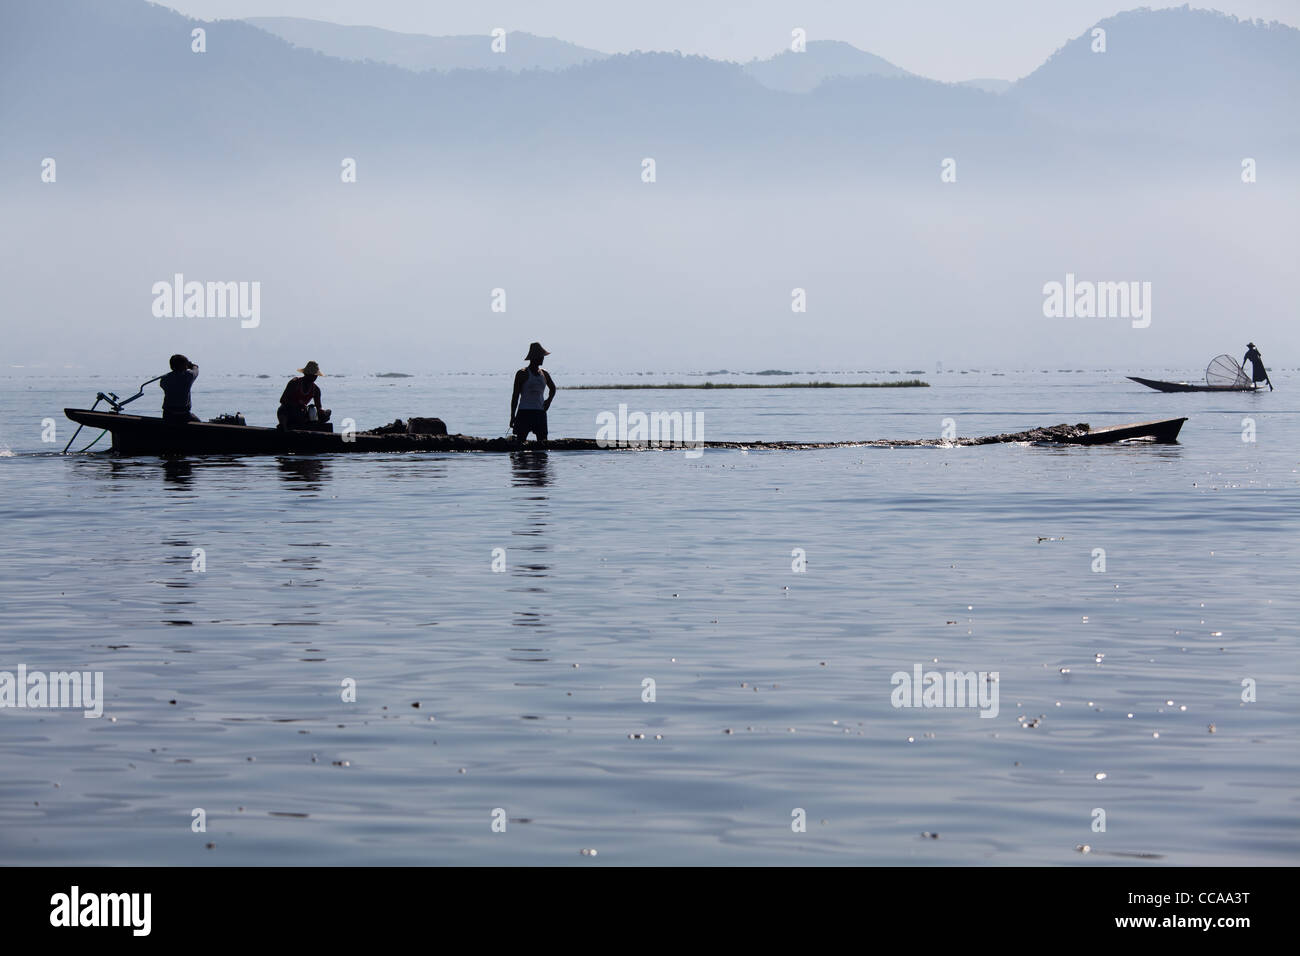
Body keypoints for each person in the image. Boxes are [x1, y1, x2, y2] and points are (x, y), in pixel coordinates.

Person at [510, 342, 556, 441]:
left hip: (540, 412)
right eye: (541, 356)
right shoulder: (522, 373)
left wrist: (549, 400)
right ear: (534, 357)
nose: (543, 358)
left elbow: (553, 388)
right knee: (520, 442)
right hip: (524, 412)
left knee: (543, 442)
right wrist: (512, 416)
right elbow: (515, 396)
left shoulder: (544, 374)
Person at [278, 361, 332, 429]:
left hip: (302, 413)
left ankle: (309, 423)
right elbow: (282, 400)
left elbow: (318, 407)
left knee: (325, 415)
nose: (314, 377)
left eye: (315, 375)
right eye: (311, 375)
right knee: (283, 410)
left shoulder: (316, 390)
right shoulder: (295, 383)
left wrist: (322, 412)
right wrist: (297, 405)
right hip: (288, 411)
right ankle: (284, 426)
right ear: (306, 374)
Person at [160, 354, 200, 424]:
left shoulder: (164, 379)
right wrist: (193, 365)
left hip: (168, 415)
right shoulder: (188, 376)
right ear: (184, 366)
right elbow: (196, 370)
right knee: (199, 423)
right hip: (183, 415)